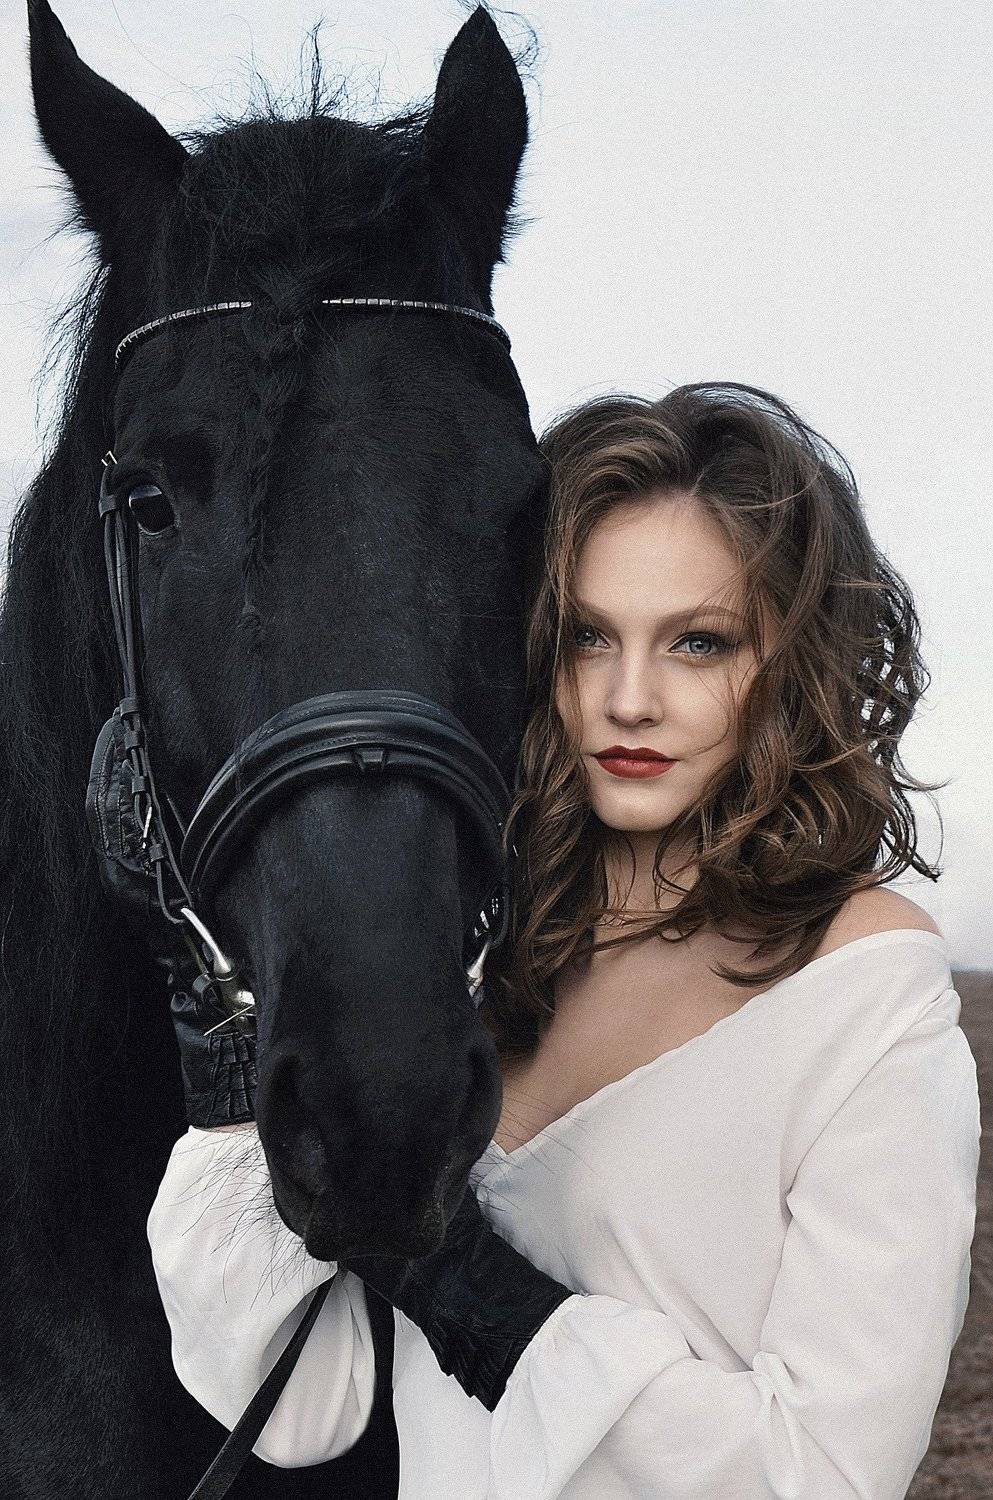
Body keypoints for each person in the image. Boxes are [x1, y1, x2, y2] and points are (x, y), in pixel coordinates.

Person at [148, 382, 981, 1499]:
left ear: (791, 664)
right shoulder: (480, 957)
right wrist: (226, 1079)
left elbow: (827, 1471)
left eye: (698, 643)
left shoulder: (867, 993)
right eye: (589, 636)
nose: (629, 699)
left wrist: (486, 1309)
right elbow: (305, 1409)